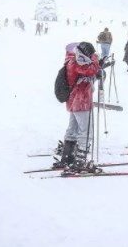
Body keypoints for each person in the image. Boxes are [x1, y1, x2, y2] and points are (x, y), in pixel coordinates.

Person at [53, 42, 100, 171]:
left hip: (74, 101)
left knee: (72, 130)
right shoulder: (79, 63)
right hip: (81, 101)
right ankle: (81, 161)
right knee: (86, 131)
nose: (91, 57)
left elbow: (88, 74)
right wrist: (96, 59)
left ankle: (68, 156)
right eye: (90, 55)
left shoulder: (71, 60)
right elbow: (92, 69)